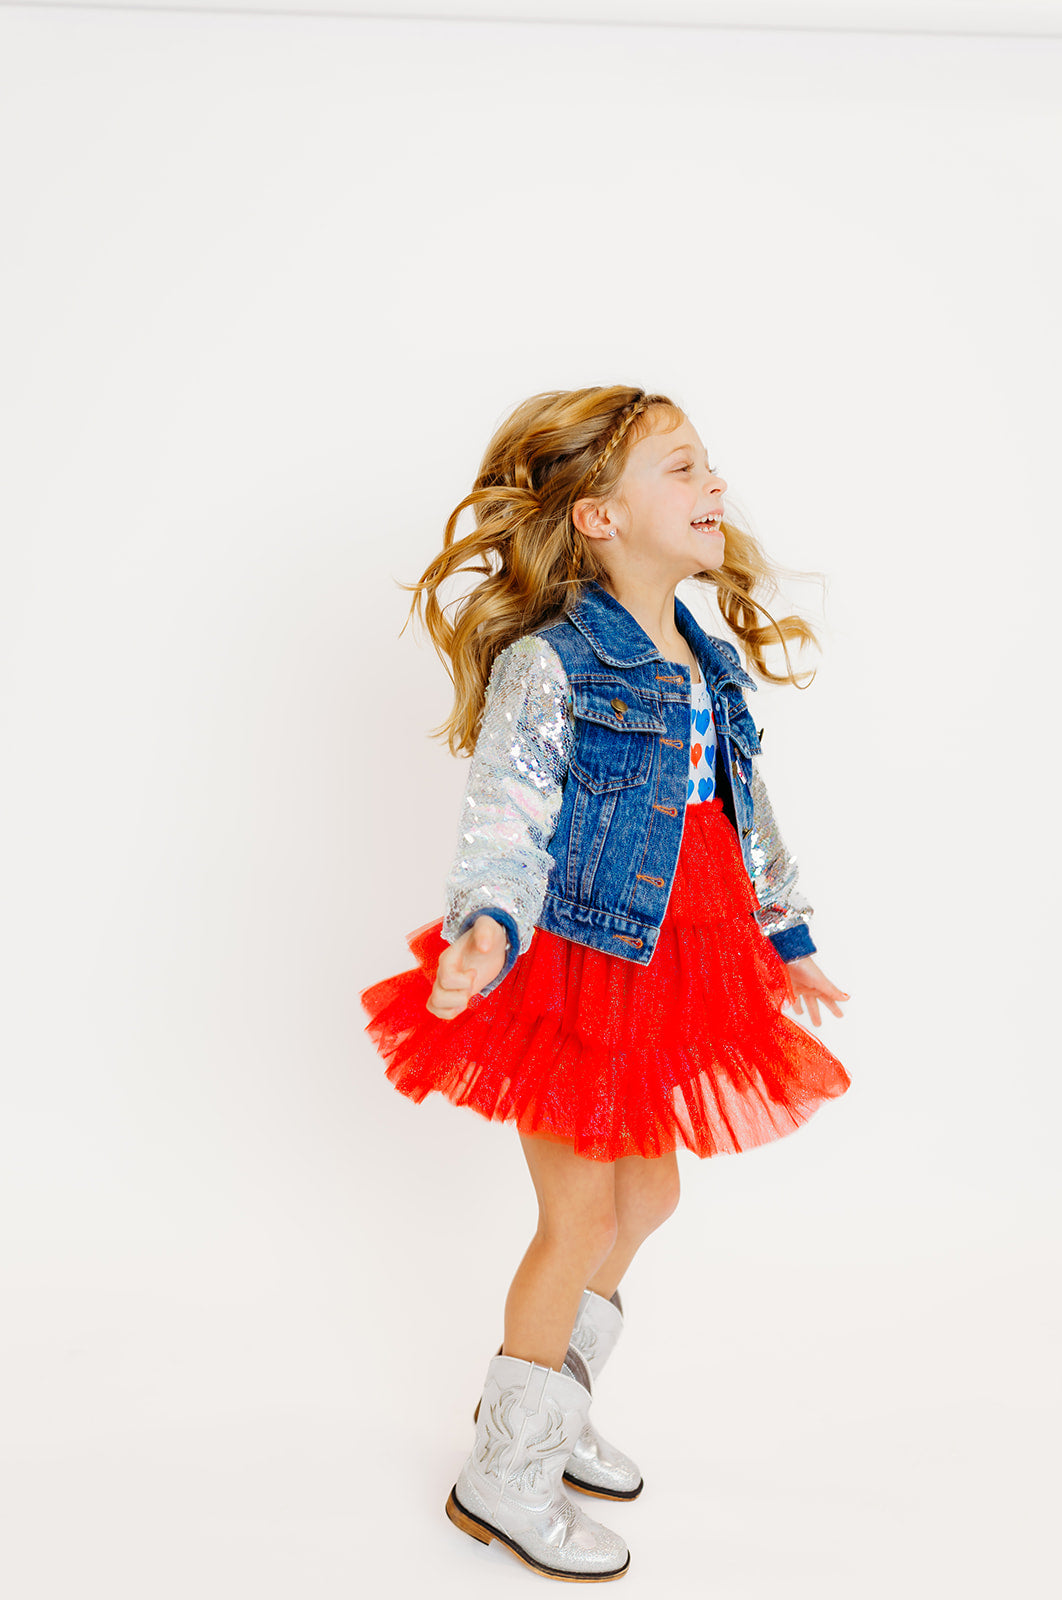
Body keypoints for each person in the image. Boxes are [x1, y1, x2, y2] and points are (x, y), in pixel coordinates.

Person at [359, 385, 851, 1583]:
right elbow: (509, 812)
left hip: (681, 949)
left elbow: (744, 810)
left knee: (649, 1200)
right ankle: (503, 1473)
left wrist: (784, 933)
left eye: (707, 467)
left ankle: (548, 1402)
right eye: (680, 470)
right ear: (595, 517)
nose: (713, 488)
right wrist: (484, 926)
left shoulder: (704, 655)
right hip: (577, 956)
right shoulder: (551, 660)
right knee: (576, 1213)